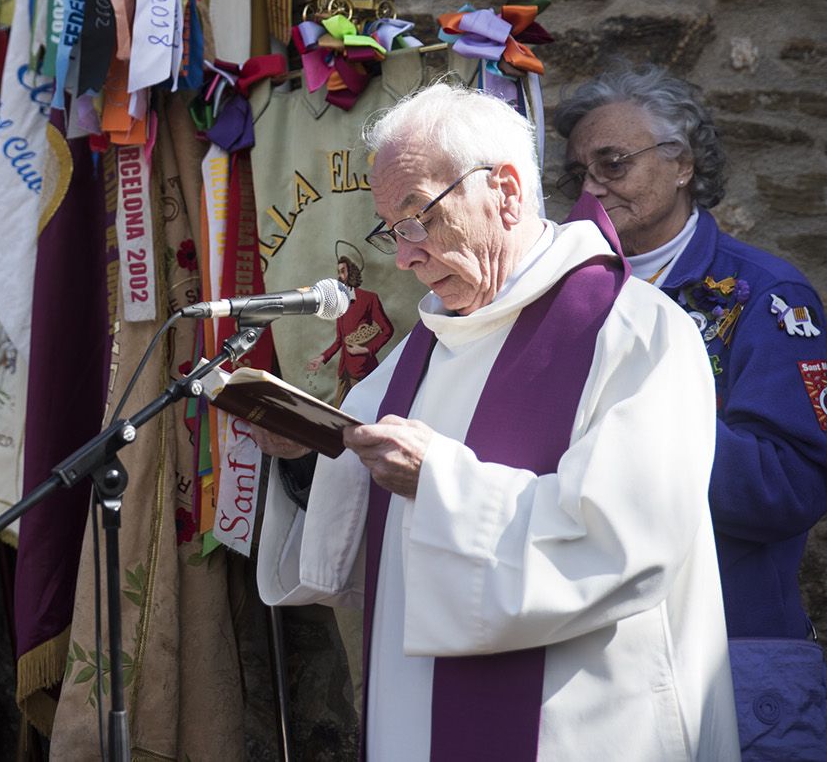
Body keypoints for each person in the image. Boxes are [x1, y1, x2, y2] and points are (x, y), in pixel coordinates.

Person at [253, 83, 737, 760]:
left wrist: (442, 481)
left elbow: (624, 540)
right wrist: (302, 450)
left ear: (505, 191)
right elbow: (353, 522)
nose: (405, 255)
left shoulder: (637, 334)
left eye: (418, 217)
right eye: (391, 228)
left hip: (582, 722)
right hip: (418, 717)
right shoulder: (415, 355)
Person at [555, 66, 827, 759]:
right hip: (589, 653)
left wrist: (639, 426)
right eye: (580, 171)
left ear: (680, 163)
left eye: (612, 163)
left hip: (730, 647)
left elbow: (789, 486)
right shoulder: (562, 295)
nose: (592, 188)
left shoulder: (768, 296)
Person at [306, 251, 394, 405]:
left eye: (342, 271)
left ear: (351, 272)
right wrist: (321, 359)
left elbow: (387, 329)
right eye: (338, 272)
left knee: (366, 412)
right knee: (338, 411)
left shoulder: (369, 298)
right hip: (344, 371)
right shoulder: (341, 303)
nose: (339, 276)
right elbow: (340, 340)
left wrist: (366, 350)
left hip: (363, 370)